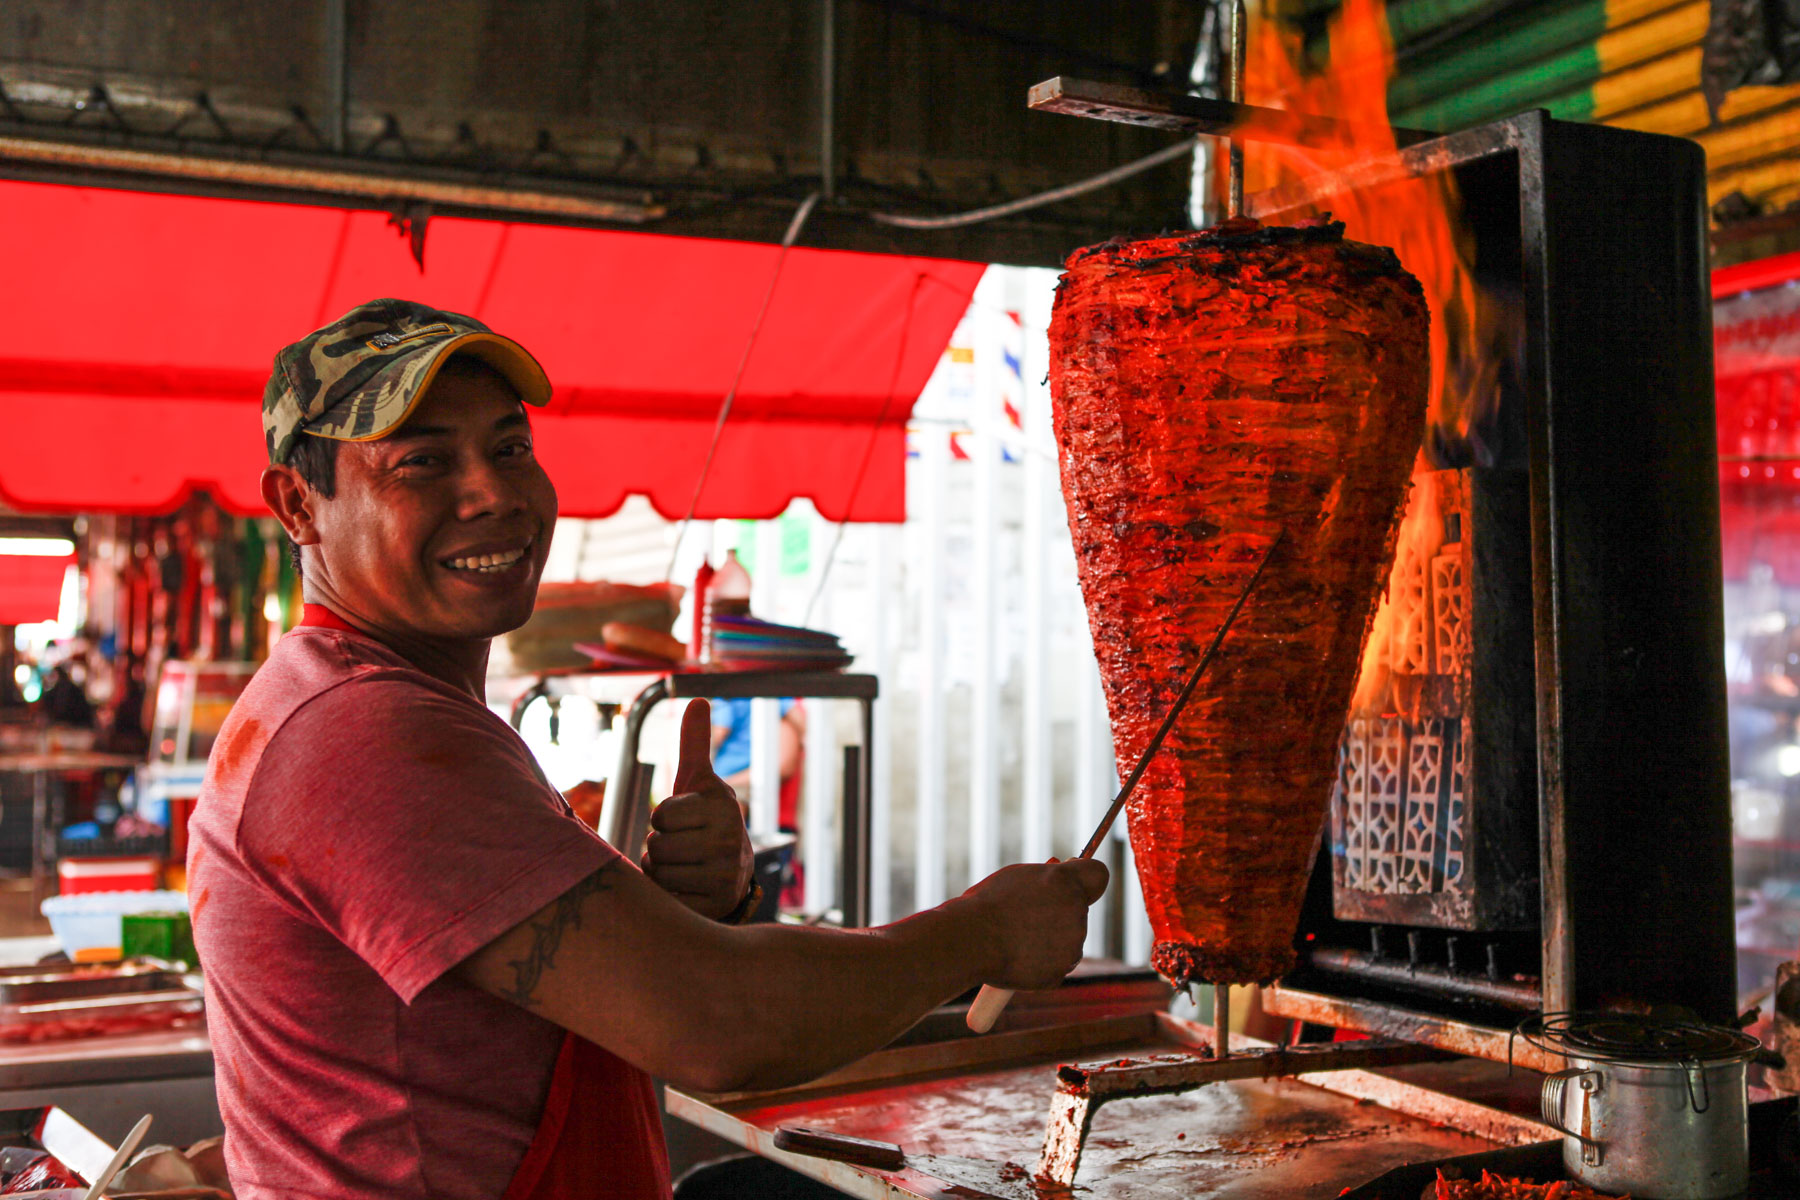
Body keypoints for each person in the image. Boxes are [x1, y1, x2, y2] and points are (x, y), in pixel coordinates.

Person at [188, 299, 1106, 1200]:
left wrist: (676, 909)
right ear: (299, 505)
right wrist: (984, 932)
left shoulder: (367, 702)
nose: (495, 494)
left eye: (511, 448)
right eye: (422, 463)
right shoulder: (361, 730)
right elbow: (716, 1024)